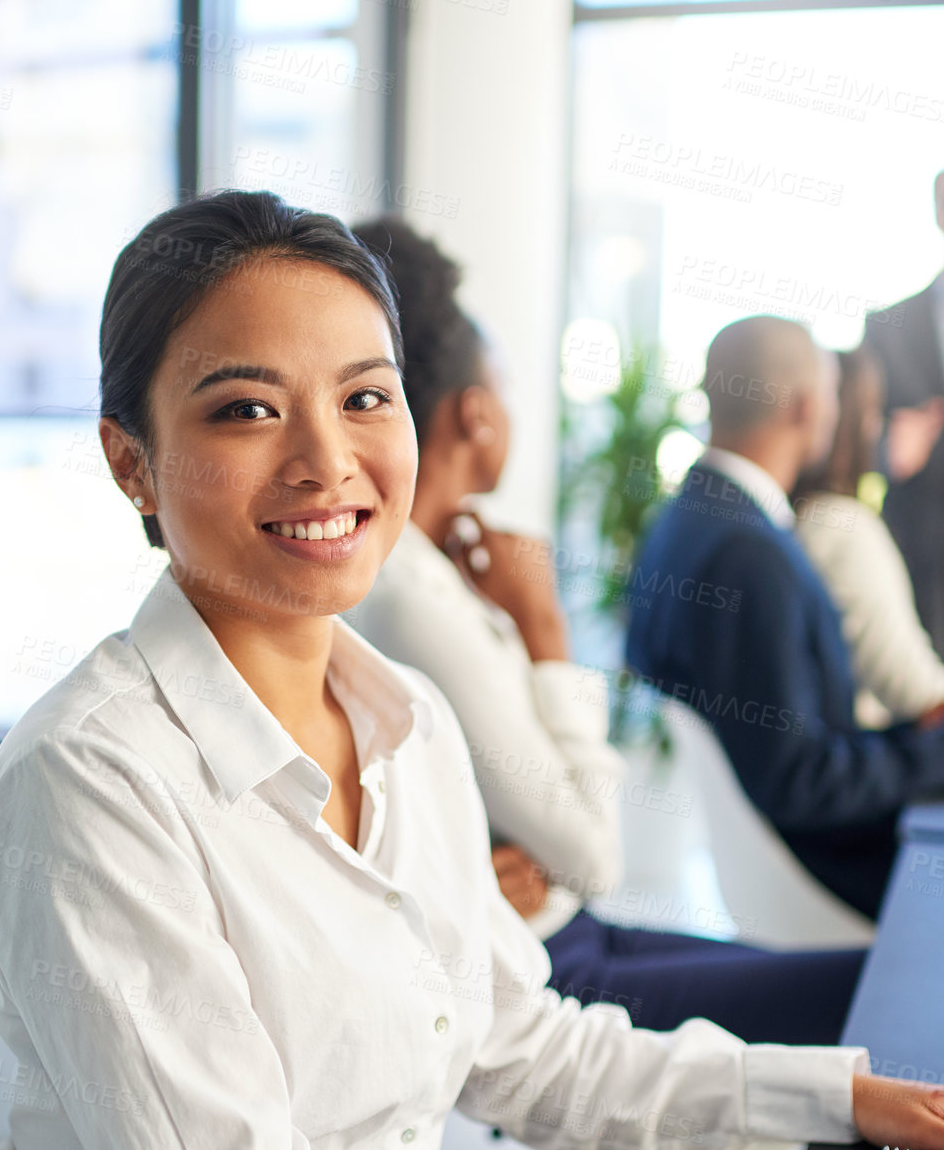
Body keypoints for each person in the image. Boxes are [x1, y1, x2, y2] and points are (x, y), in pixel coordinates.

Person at [0, 194, 944, 1150]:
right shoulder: (88, 785)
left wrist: (846, 1089)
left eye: (363, 396)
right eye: (245, 408)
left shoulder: (404, 719)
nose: (328, 459)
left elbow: (521, 1043)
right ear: (130, 461)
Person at [348, 218, 864, 1046]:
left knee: (868, 984)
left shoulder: (438, 572)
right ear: (477, 416)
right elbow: (594, 858)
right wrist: (546, 631)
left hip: (561, 933)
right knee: (877, 992)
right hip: (550, 963)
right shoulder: (411, 590)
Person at [626, 315, 944, 922]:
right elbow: (801, 779)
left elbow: (794, 744)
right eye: (835, 398)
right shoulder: (749, 555)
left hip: (796, 857)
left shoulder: (689, 521)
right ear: (808, 408)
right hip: (833, 872)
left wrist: (919, 737)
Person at [794, 345, 944, 726]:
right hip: (871, 752)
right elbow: (916, 691)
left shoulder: (800, 517)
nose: (878, 430)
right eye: (874, 416)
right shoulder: (842, 527)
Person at [864, 153, 944, 666]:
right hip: (917, 556)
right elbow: (851, 442)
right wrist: (888, 452)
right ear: (935, 212)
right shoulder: (889, 327)